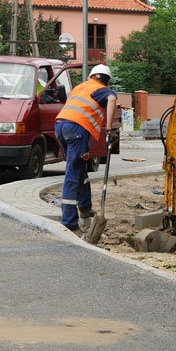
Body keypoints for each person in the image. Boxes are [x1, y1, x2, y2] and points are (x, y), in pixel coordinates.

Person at [55, 65, 118, 232]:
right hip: (77, 129)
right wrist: (110, 129)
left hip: (60, 126)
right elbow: (112, 100)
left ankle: (84, 208)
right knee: (73, 172)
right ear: (107, 81)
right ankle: (69, 222)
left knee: (81, 169)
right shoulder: (103, 90)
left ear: (92, 76)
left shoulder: (80, 87)